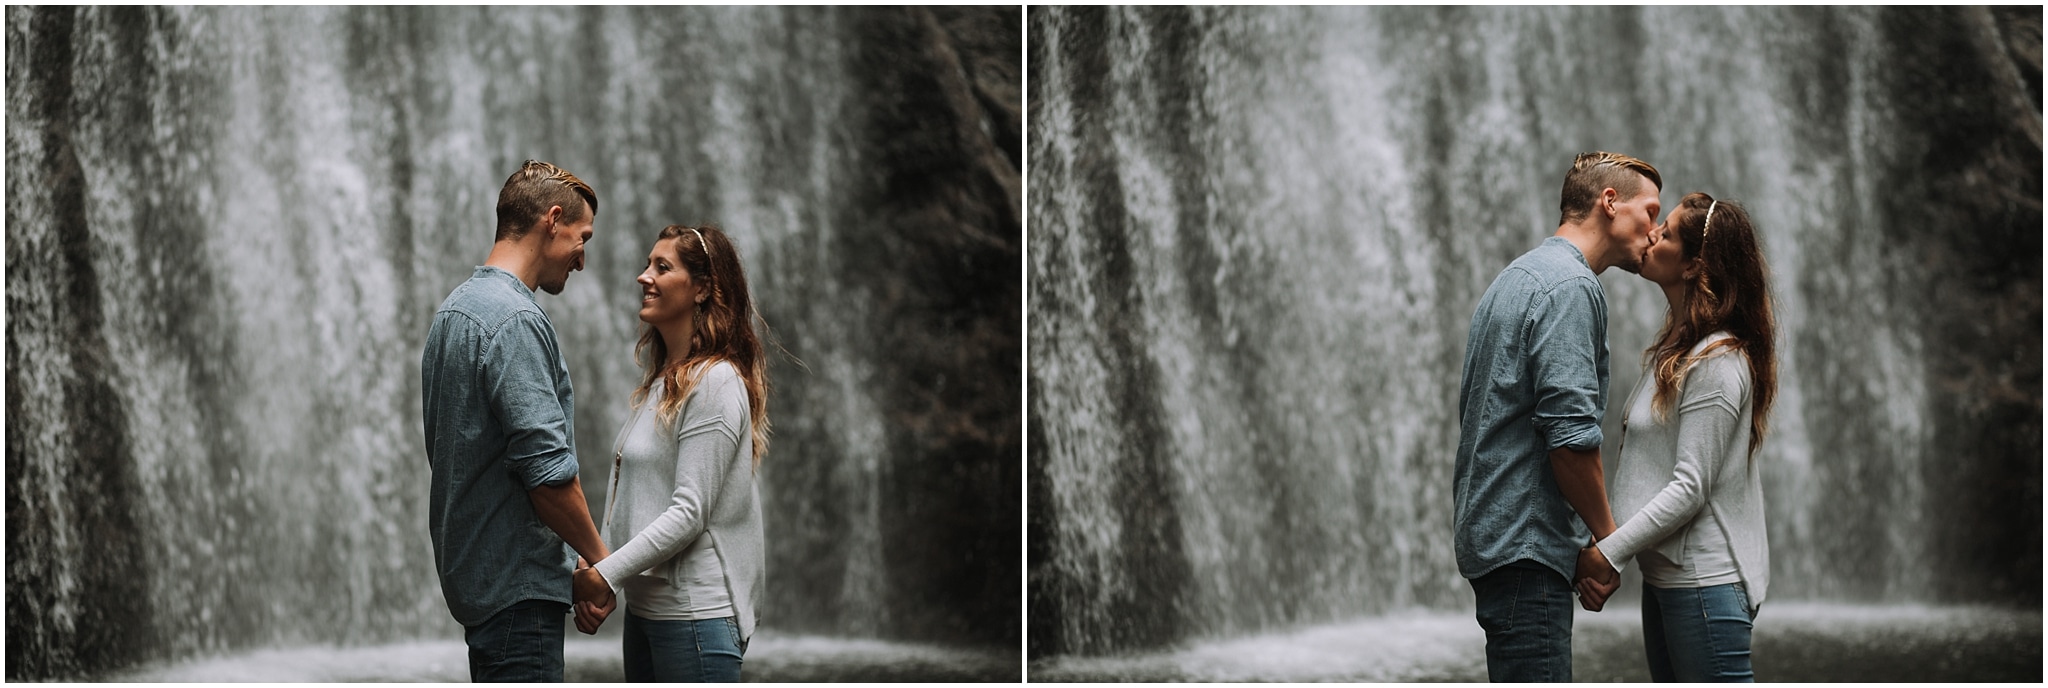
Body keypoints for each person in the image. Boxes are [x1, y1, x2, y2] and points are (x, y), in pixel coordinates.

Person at [1454, 151, 1663, 682]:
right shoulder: (1570, 288)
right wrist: (1607, 543)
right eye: (1651, 211)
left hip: (1500, 544)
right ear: (1609, 202)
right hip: (1527, 551)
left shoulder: (1518, 276)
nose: (1656, 231)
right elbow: (1569, 439)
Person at [421, 160, 616, 682]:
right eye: (583, 237)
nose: (582, 260)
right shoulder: (515, 321)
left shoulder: (453, 313)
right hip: (518, 604)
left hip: (485, 592)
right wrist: (603, 566)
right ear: (552, 220)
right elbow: (548, 476)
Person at [1574, 193, 1776, 682]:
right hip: (1668, 582)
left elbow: (1690, 487)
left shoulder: (1717, 361)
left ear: (1693, 266)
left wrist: (1608, 553)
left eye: (1665, 233)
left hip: (1704, 584)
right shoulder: (1679, 349)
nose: (1650, 235)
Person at [572, 224, 770, 682]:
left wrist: (605, 576)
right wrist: (598, 560)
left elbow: (690, 511)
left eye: (662, 267)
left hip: (696, 618)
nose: (644, 277)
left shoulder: (716, 381)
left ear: (702, 288)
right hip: (646, 617)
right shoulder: (663, 380)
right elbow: (631, 489)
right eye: (647, 265)